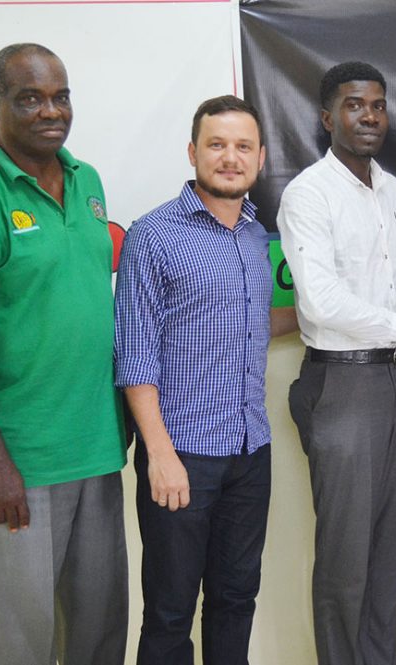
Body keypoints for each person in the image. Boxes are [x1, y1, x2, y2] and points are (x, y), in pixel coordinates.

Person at [0, 43, 127, 664]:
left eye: (59, 96)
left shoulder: (87, 180)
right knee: (20, 643)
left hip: (94, 451)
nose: (50, 111)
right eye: (30, 98)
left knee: (98, 634)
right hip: (15, 465)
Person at [275, 61, 396, 665]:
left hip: (393, 380)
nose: (369, 115)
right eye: (354, 105)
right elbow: (323, 300)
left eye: (378, 104)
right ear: (328, 118)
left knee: (389, 551)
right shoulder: (307, 193)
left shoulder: (392, 189)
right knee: (345, 560)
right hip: (341, 383)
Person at [114, 95, 297, 664]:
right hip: (182, 455)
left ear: (261, 158)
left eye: (243, 146)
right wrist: (159, 455)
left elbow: (248, 321)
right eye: (216, 144)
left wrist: (330, 319)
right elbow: (135, 356)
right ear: (193, 152)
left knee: (236, 599)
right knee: (169, 612)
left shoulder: (253, 233)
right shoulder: (154, 235)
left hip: (250, 450)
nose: (229, 157)